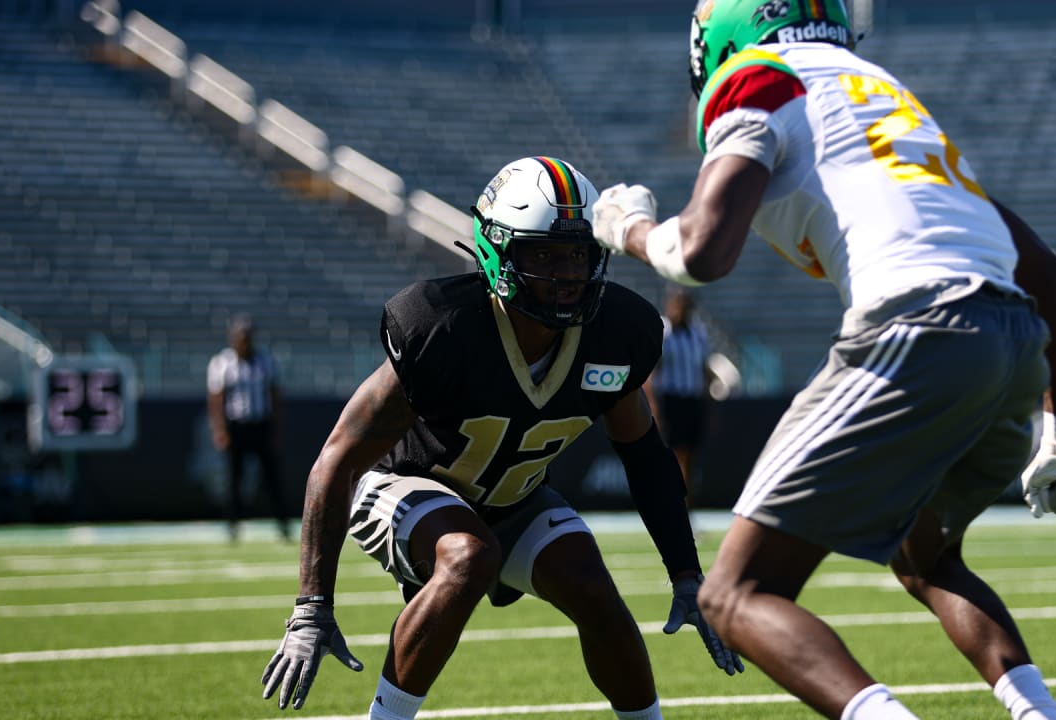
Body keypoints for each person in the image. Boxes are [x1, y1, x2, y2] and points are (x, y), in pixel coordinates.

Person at [590, 3, 1056, 719]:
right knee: (927, 556)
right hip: (1013, 343)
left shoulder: (759, 77)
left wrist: (629, 227)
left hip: (920, 329)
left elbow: (697, 254)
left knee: (735, 595)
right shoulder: (883, 95)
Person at [259, 156, 742, 720]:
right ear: (498, 251)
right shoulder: (442, 328)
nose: (566, 272)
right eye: (542, 253)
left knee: (592, 585)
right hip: (402, 480)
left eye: (578, 253)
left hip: (512, 499)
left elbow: (645, 455)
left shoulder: (615, 334)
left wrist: (686, 574)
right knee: (468, 556)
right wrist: (312, 606)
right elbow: (337, 459)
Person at [207, 313, 290, 543]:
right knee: (234, 480)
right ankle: (233, 527)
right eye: (240, 336)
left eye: (247, 336)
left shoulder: (266, 361)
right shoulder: (222, 363)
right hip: (237, 428)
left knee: (272, 479)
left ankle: (283, 525)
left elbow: (275, 397)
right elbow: (216, 399)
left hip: (260, 426)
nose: (244, 340)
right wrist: (220, 430)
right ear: (233, 338)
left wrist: (275, 430)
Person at [646, 287, 711, 504]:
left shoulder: (698, 334)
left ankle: (687, 509)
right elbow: (653, 373)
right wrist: (654, 407)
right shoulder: (664, 333)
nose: (681, 311)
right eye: (677, 305)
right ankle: (672, 507)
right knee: (674, 456)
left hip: (692, 400)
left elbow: (704, 369)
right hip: (671, 400)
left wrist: (709, 404)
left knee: (690, 458)